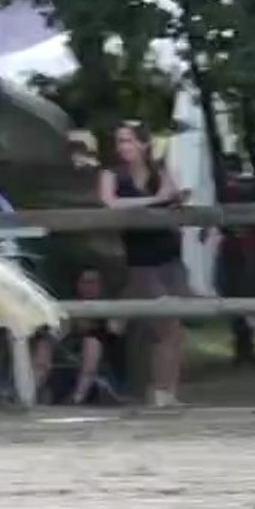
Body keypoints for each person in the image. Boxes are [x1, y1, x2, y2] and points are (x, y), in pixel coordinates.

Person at [98, 120, 191, 408]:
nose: (124, 147)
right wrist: (153, 200)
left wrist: (172, 198)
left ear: (144, 144)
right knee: (163, 323)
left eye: (129, 140)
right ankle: (155, 390)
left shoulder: (159, 170)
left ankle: (167, 391)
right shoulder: (111, 174)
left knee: (174, 329)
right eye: (120, 141)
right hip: (141, 260)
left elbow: (174, 198)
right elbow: (110, 204)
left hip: (168, 255)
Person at [32, 268, 125, 405]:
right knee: (45, 344)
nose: (90, 287)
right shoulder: (69, 307)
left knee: (92, 343)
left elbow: (115, 332)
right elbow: (54, 333)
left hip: (102, 371)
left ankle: (77, 398)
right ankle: (30, 390)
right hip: (66, 365)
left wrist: (92, 327)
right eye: (86, 282)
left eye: (94, 282)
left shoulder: (111, 308)